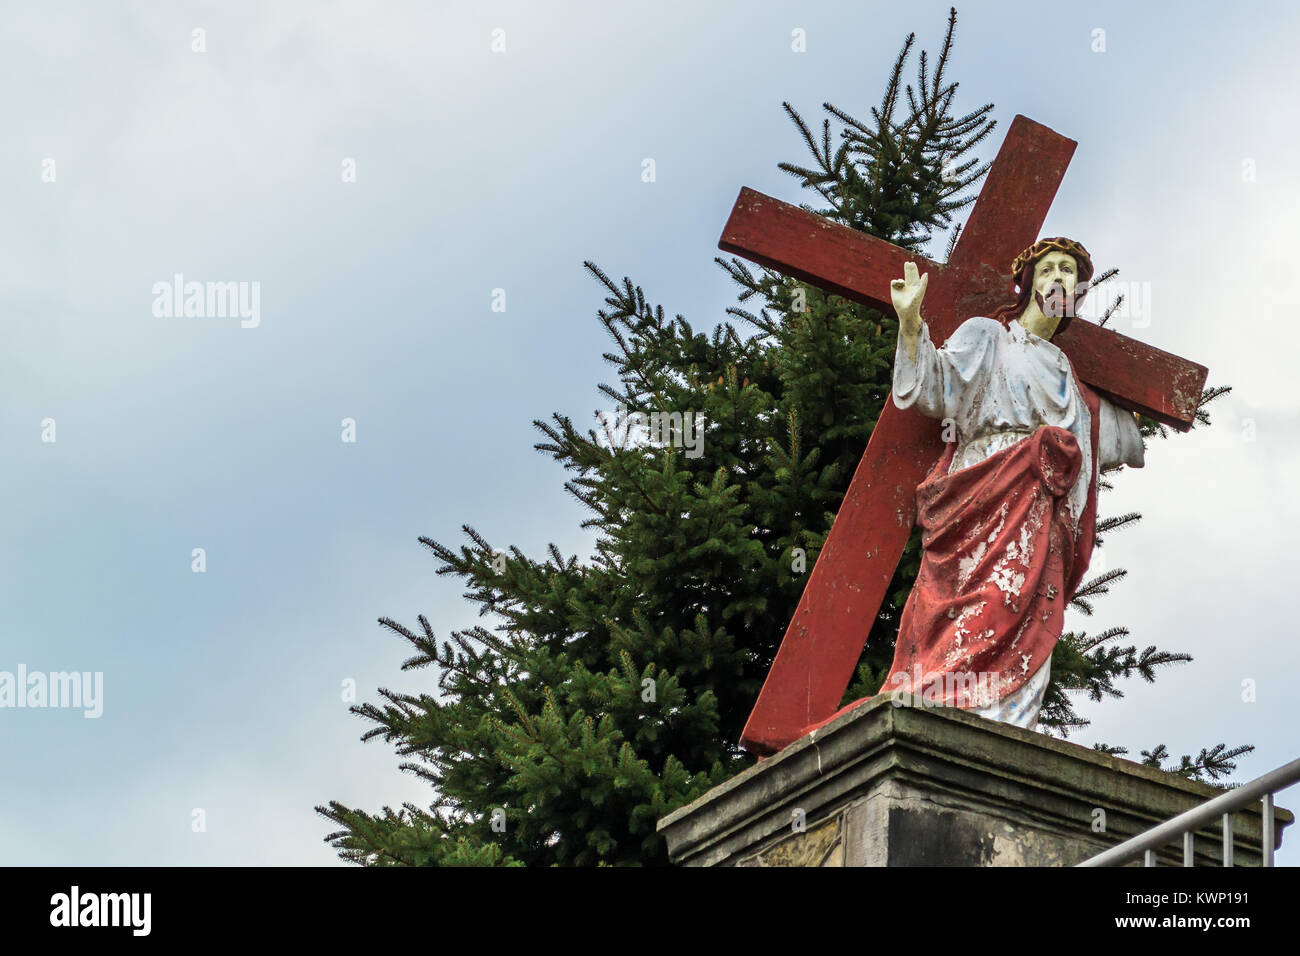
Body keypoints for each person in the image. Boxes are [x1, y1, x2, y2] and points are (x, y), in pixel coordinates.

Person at [880, 238, 1144, 731]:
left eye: (1070, 272)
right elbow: (935, 387)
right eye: (1050, 269)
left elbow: (1105, 435)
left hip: (1042, 513)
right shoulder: (988, 337)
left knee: (1028, 612)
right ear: (1027, 283)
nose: (1060, 278)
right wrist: (912, 324)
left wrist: (1144, 402)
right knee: (981, 602)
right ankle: (948, 704)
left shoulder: (1068, 373)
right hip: (983, 489)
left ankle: (1006, 727)